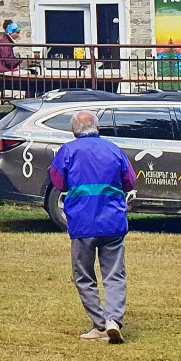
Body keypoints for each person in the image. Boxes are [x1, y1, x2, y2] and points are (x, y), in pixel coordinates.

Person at [50, 110, 136, 344]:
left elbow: (58, 181)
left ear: (73, 131)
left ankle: (99, 324)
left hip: (82, 223)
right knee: (115, 274)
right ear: (97, 129)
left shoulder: (68, 151)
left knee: (84, 275)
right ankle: (113, 320)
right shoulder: (114, 149)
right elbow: (130, 181)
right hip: (112, 222)